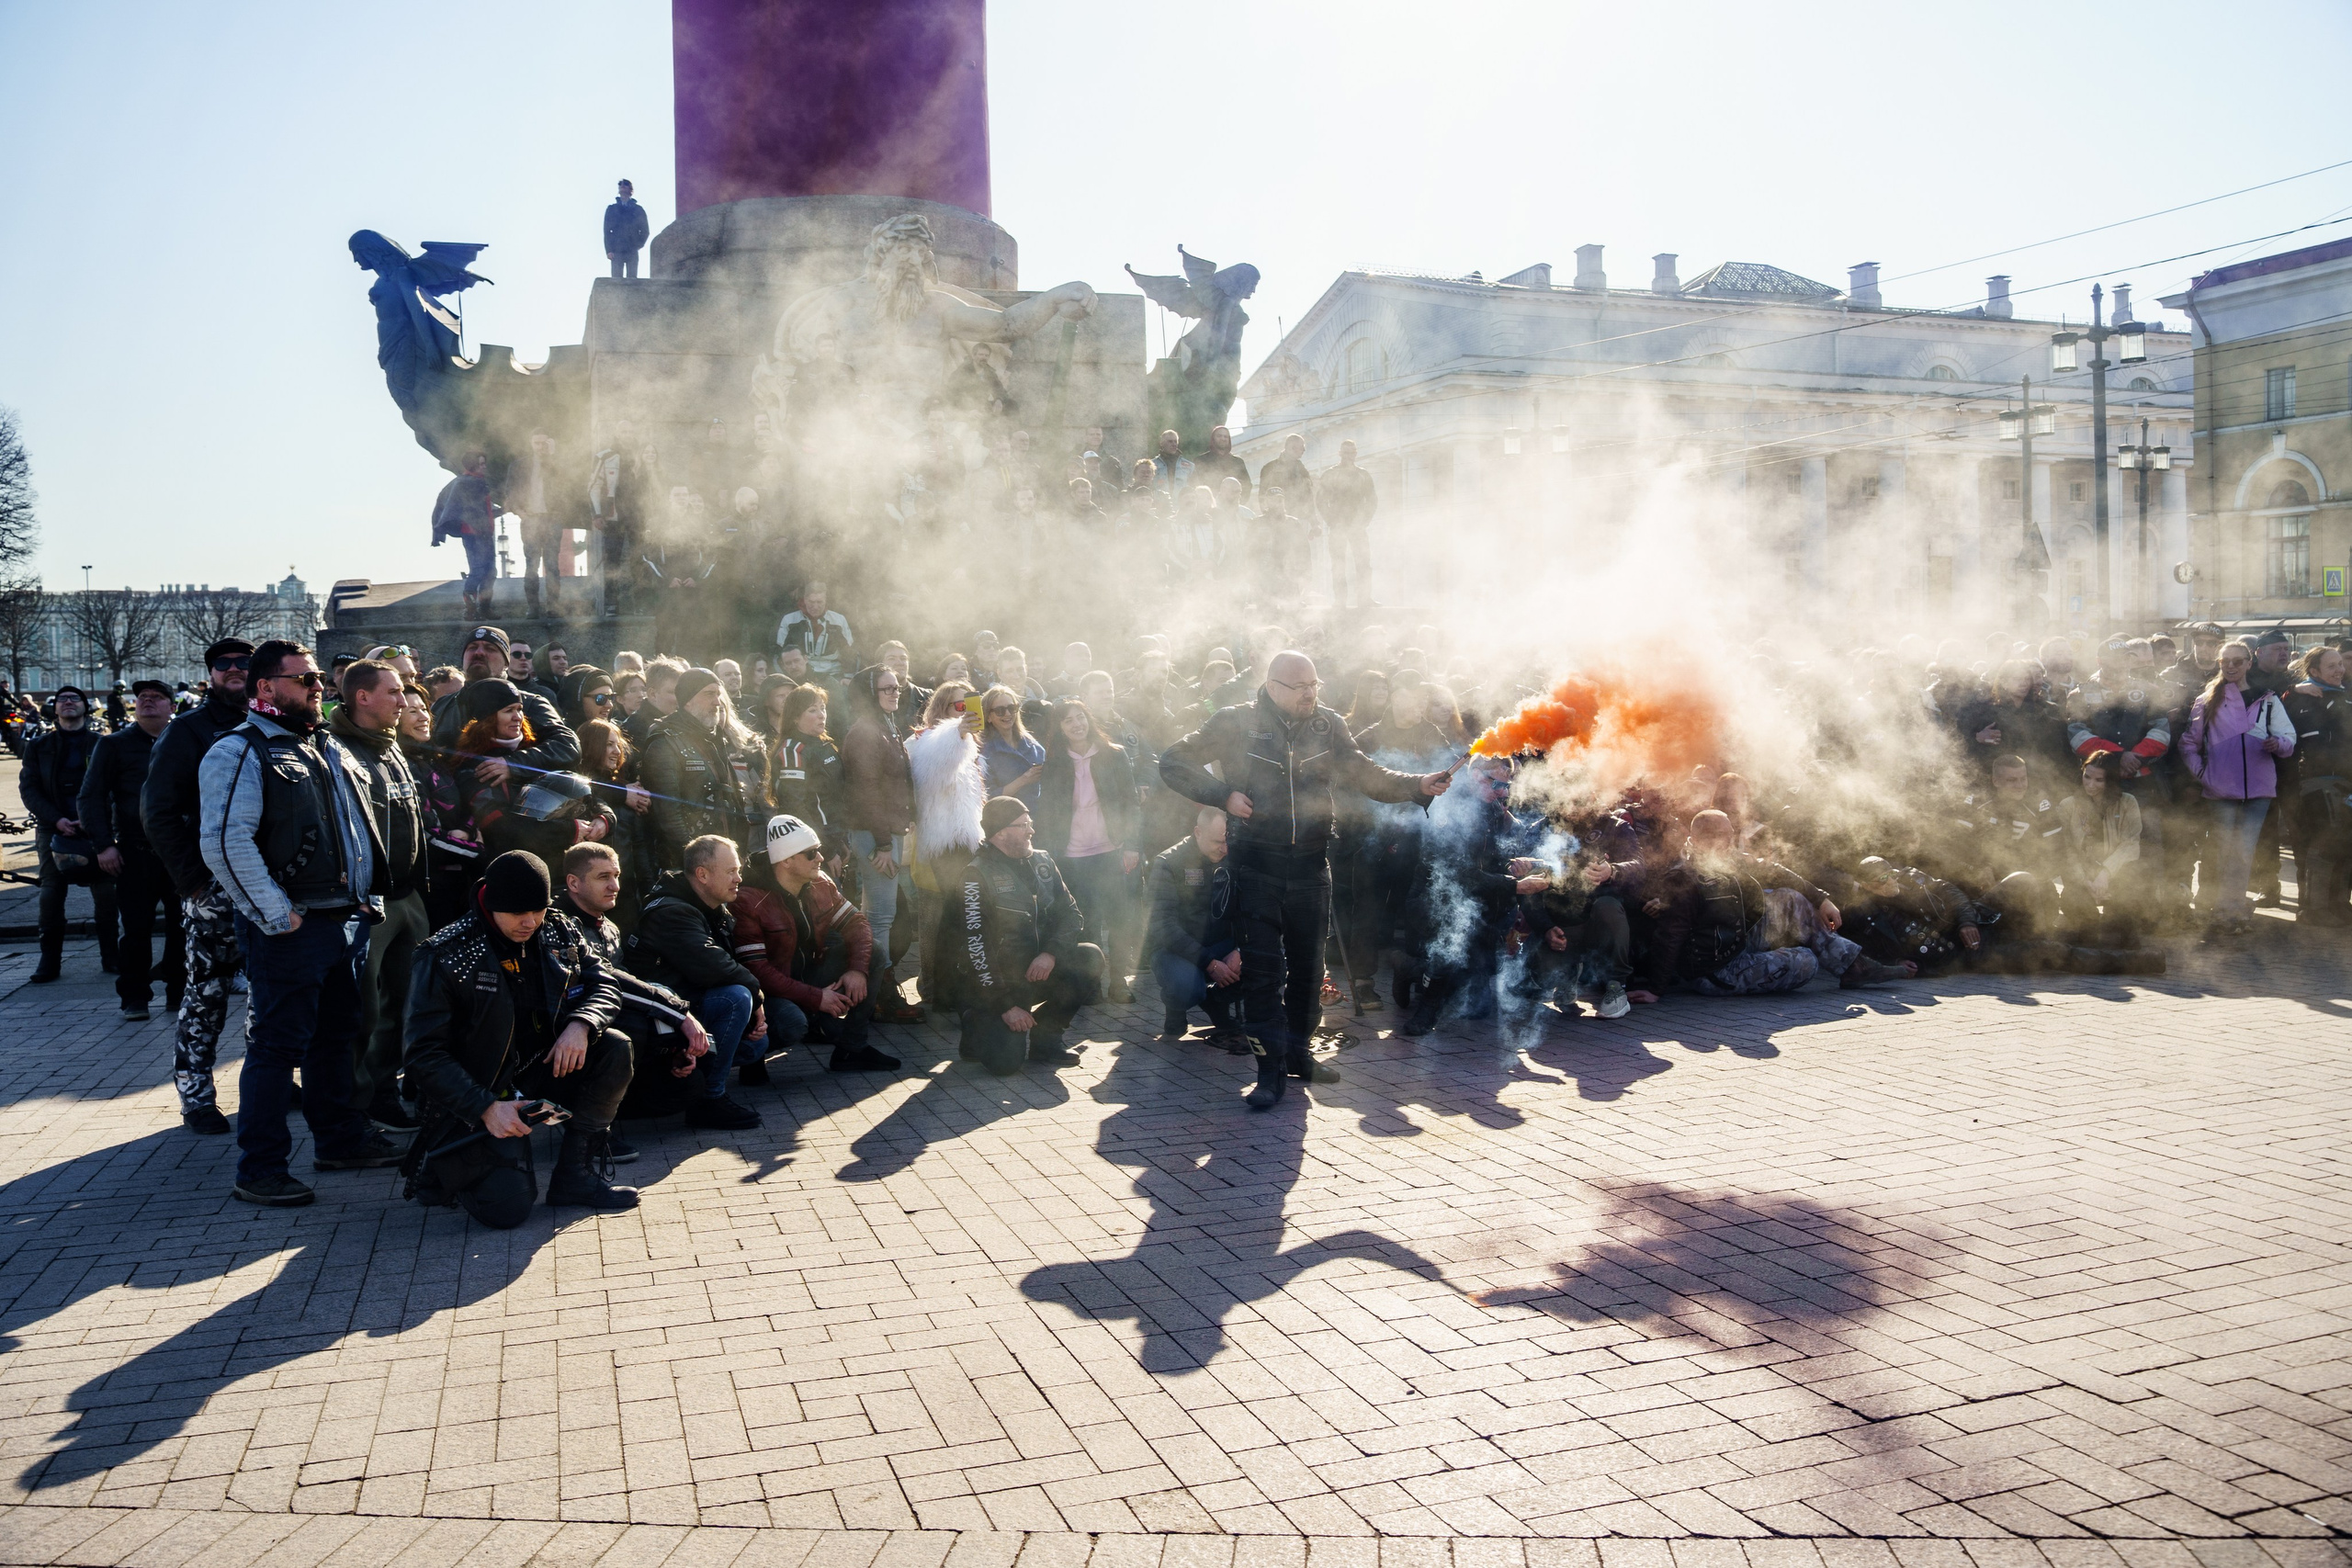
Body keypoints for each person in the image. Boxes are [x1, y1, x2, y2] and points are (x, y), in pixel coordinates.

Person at [1160, 651, 1450, 1108]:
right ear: (1273, 686)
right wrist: (1222, 794)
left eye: (1315, 685)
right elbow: (1172, 761)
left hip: (1313, 866)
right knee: (1263, 976)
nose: (1310, 694)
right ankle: (1268, 1072)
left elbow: (1365, 773)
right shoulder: (1234, 721)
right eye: (1301, 687)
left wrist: (1416, 784)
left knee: (1310, 972)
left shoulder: (1328, 724)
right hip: (1255, 867)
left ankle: (1299, 1055)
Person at [197, 640, 401, 1207]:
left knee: (337, 1036)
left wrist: (365, 899)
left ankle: (339, 1140)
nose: (318, 686)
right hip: (291, 928)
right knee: (275, 1049)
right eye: (304, 679)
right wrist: (275, 914)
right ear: (265, 687)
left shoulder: (324, 745)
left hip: (343, 920)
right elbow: (224, 841)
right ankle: (260, 1169)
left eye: (317, 678)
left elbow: (355, 828)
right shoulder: (238, 750)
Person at [401, 850, 638, 1225]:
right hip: (479, 1092)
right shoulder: (445, 953)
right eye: (517, 913)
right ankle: (447, 1166)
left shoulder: (558, 926)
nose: (530, 922)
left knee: (614, 1046)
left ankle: (575, 1175)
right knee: (506, 1212)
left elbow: (605, 984)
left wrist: (582, 1024)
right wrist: (485, 1107)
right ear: (492, 905)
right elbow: (422, 1054)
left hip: (541, 1069)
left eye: (537, 910)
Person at [140, 637, 254, 1134]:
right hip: (214, 890)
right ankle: (197, 1096)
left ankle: (265, 1080)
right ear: (210, 674)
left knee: (267, 993)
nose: (233, 669)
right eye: (222, 664)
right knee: (207, 995)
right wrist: (194, 884)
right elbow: (158, 812)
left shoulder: (270, 722)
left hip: (269, 886)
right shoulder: (187, 730)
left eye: (243, 662)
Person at [1641, 811, 1913, 997]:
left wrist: (1822, 899)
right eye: (1724, 835)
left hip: (1737, 941)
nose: (1731, 839)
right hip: (1714, 970)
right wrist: (1655, 989)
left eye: (1730, 833)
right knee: (1806, 961)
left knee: (1790, 898)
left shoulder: (1726, 859)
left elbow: (1775, 871)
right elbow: (1671, 934)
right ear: (1703, 838)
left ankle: (1854, 966)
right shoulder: (1684, 876)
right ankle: (1851, 966)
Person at [328, 660, 430, 1133]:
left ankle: (384, 1091)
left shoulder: (391, 747)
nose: (403, 701)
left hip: (407, 897)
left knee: (409, 1004)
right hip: (367, 903)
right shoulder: (335, 751)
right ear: (362, 697)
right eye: (393, 692)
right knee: (363, 1010)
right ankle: (356, 1107)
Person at [933, 796, 1103, 1076]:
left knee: (1090, 957)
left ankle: (1046, 1039)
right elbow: (976, 951)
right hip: (995, 985)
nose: (1031, 830)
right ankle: (975, 1022)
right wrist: (1004, 1006)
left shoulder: (1043, 861)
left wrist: (1050, 953)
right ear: (1000, 833)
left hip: (1035, 970)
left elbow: (1072, 915)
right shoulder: (975, 875)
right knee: (1005, 1065)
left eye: (1030, 823)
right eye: (1023, 825)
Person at [554, 840, 708, 1134]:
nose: (614, 886)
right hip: (564, 1032)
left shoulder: (608, 926)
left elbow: (627, 984)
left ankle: (607, 1109)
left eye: (616, 875)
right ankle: (588, 1125)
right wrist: (679, 1015)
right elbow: (609, 982)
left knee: (688, 1084)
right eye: (603, 877)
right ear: (573, 883)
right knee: (634, 1026)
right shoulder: (557, 924)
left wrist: (671, 1045)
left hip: (603, 1027)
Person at [732, 815, 898, 1075]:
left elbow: (857, 923)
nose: (820, 858)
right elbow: (758, 973)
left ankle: (852, 1048)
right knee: (792, 1024)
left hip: (807, 976)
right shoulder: (748, 900)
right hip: (767, 992)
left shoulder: (820, 882)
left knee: (874, 952)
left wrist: (857, 970)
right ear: (786, 861)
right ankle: (752, 1053)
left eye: (818, 850)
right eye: (811, 853)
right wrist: (817, 998)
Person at [628, 834, 767, 1130]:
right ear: (702, 875)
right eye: (731, 871)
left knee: (759, 1043)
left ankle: (699, 1071)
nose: (739, 878)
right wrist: (757, 996)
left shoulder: (712, 905)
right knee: (737, 998)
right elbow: (715, 966)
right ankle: (708, 1100)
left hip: (685, 1003)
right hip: (660, 1018)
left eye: (738, 870)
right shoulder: (671, 912)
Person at [2178, 640, 2295, 938]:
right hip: (2220, 789)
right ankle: (2211, 907)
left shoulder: (2268, 699)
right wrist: (2204, 774)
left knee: (2243, 852)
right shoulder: (2206, 699)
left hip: (2259, 790)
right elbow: (2188, 743)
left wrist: (2278, 744)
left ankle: (2229, 911)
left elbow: (2288, 737)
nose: (2231, 666)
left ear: (2248, 663)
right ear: (2219, 664)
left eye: (2237, 661)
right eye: (2225, 661)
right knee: (2220, 850)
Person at [79, 678, 180, 1019]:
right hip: (134, 851)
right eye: (142, 697)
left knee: (183, 926)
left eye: (157, 696)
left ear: (172, 706)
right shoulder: (114, 745)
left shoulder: (184, 741)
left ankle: (179, 992)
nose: (147, 701)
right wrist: (103, 845)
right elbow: (90, 796)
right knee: (136, 929)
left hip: (181, 851)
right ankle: (135, 998)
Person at [1035, 698, 1143, 1002]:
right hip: (1073, 855)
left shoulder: (1114, 754)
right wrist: (1048, 853)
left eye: (1080, 717)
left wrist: (1132, 845)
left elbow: (1131, 803)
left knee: (1118, 918)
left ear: (1088, 719)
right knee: (1087, 921)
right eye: (1068, 720)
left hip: (1111, 850)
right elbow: (1047, 812)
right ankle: (1091, 985)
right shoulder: (1055, 762)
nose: (1076, 724)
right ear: (1060, 727)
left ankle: (1119, 983)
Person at [19, 684, 119, 985]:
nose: (68, 702)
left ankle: (111, 956)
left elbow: (114, 788)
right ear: (55, 709)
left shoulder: (103, 744)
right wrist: (57, 819)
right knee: (51, 893)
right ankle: (49, 960)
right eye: (62, 699)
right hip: (53, 828)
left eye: (75, 698)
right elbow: (29, 789)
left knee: (106, 893)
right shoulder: (38, 747)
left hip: (95, 827)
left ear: (86, 707)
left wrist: (93, 821)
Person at [1145, 806, 1245, 1046]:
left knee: (1271, 960)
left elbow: (1251, 911)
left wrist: (1241, 950)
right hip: (1175, 949)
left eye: (1227, 841)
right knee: (1186, 987)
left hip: (1223, 942)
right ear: (1198, 832)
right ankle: (1176, 1006)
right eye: (1217, 842)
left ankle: (1216, 1001)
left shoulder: (1235, 857)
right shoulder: (1168, 863)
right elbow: (1163, 926)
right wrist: (1209, 963)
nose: (1224, 849)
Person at [639, 666, 754, 870]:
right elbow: (669, 817)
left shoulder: (714, 738)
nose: (717, 702)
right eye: (709, 694)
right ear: (688, 700)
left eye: (718, 694)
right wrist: (697, 862)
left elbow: (734, 801)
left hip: (723, 858)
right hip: (690, 865)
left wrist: (739, 852)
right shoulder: (664, 743)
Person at [2286, 645, 2351, 926]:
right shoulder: (2302, 697)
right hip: (2317, 782)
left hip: (2345, 782)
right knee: (2324, 845)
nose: (2339, 670)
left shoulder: (2345, 695)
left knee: (2345, 843)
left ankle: (2339, 904)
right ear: (2314, 671)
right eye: (2331, 666)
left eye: (2340, 664)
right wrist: (2293, 689)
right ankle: (2314, 908)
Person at [432, 451, 498, 619]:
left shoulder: (476, 482)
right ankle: (471, 610)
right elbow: (456, 509)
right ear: (473, 465)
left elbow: (484, 512)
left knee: (489, 571)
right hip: (473, 534)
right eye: (481, 464)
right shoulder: (463, 483)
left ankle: (483, 608)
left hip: (484, 533)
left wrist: (504, 510)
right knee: (478, 571)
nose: (484, 467)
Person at [514, 431, 567, 617]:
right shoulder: (519, 465)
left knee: (552, 565)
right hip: (531, 519)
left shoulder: (555, 464)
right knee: (531, 565)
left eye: (544, 443)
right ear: (531, 443)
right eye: (537, 443)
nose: (540, 446)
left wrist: (552, 457)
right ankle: (533, 607)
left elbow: (565, 486)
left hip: (552, 518)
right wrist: (520, 513)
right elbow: (511, 491)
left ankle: (553, 606)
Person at [1319, 439, 1378, 606]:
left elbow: (1372, 500)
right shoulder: (1330, 474)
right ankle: (1340, 600)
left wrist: (1365, 521)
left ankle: (1364, 598)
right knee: (1338, 565)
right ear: (1340, 453)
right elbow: (1321, 501)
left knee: (1363, 563)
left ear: (1356, 453)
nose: (1349, 456)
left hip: (1358, 526)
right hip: (1338, 526)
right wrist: (1331, 521)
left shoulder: (1363, 475)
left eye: (1352, 452)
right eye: (1346, 452)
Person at [978, 682, 1046, 807]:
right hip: (1005, 816)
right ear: (988, 717)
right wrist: (1023, 780)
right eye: (1000, 711)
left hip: (1039, 815)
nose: (1008, 714)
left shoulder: (1033, 746)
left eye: (1012, 708)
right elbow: (988, 798)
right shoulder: (984, 752)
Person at [775, 581, 854, 682]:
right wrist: (785, 679)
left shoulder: (839, 620)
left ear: (826, 600)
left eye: (819, 602)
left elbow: (849, 652)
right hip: (801, 675)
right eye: (811, 602)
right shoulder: (789, 620)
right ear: (805, 600)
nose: (815, 607)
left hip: (834, 675)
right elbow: (779, 652)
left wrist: (848, 677)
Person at [605, 177, 650, 280]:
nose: (622, 186)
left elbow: (645, 230)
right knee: (616, 280)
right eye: (620, 184)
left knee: (632, 280)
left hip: (632, 249)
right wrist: (609, 250)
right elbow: (607, 231)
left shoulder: (638, 209)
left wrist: (638, 244)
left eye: (625, 184)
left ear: (631, 190)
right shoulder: (612, 209)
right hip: (616, 249)